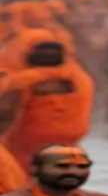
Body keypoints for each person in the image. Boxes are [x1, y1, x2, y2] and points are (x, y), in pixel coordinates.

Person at [0, 41, 94, 169]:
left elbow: (5, 113)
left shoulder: (21, 81)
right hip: (71, 138)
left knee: (21, 176)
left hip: (30, 141)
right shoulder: (80, 78)